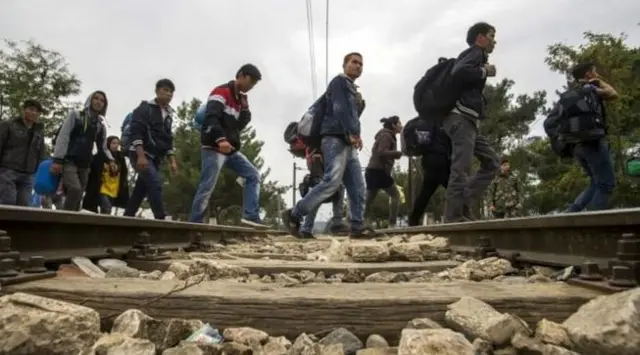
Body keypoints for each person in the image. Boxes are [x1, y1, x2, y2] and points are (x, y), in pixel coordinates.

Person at [282, 52, 372, 238]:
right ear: (344, 65)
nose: (358, 66)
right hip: (334, 139)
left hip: (347, 141)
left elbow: (351, 114)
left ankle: (357, 225)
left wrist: (355, 135)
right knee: (331, 181)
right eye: (354, 62)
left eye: (361, 64)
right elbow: (341, 110)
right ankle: (294, 214)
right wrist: (352, 133)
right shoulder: (340, 82)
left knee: (357, 186)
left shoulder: (352, 89)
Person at [188, 64, 266, 228]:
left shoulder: (240, 100)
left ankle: (250, 217)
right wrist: (220, 139)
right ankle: (194, 224)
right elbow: (211, 117)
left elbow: (238, 125)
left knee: (253, 175)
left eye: (254, 85)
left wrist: (245, 110)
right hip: (214, 147)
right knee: (207, 185)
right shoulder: (221, 92)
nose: (250, 87)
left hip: (230, 149)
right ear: (241, 75)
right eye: (250, 82)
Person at [441, 22, 500, 223]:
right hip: (460, 118)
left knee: (492, 162)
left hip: (470, 120)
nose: (494, 41)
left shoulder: (478, 56)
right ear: (480, 38)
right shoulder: (474, 53)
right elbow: (459, 71)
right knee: (462, 168)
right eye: (491, 36)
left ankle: (463, 203)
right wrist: (485, 71)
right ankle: (453, 218)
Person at [565, 62, 618, 212]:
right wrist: (599, 81)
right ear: (588, 74)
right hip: (593, 142)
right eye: (595, 71)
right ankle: (594, 221)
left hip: (577, 145)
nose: (597, 73)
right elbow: (614, 94)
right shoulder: (592, 87)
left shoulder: (573, 91)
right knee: (606, 183)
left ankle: (570, 215)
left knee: (595, 182)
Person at [124, 79, 179, 220]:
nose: (168, 94)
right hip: (140, 152)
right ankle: (161, 219)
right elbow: (136, 131)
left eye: (171, 92)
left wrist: (172, 161)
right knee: (154, 183)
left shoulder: (168, 115)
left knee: (141, 189)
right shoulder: (144, 108)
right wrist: (141, 156)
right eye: (165, 90)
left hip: (155, 156)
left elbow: (168, 139)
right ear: (157, 91)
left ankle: (127, 218)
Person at [51, 91, 115, 211]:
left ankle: (73, 223)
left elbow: (103, 147)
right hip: (69, 160)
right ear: (90, 100)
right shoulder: (76, 115)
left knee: (79, 194)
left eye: (102, 100)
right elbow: (63, 136)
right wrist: (57, 159)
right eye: (96, 98)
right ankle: (65, 219)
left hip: (85, 164)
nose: (99, 102)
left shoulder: (100, 125)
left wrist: (111, 160)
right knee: (74, 189)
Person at [0, 100, 46, 206]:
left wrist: (39, 171)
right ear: (24, 110)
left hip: (28, 174)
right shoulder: (9, 125)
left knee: (24, 206)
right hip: (8, 170)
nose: (34, 113)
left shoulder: (39, 131)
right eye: (31, 109)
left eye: (37, 111)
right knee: (8, 201)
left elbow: (41, 153)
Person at [364, 116, 403, 228]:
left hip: (378, 171)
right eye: (399, 124)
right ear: (394, 125)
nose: (401, 126)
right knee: (394, 195)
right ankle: (392, 223)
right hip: (377, 171)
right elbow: (381, 152)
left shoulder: (387, 135)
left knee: (370, 199)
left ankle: (361, 222)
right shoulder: (386, 135)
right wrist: (397, 153)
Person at [408, 125, 451, 225]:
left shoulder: (424, 124)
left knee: (425, 192)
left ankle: (413, 219)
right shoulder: (442, 124)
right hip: (441, 160)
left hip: (428, 160)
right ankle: (458, 214)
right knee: (455, 189)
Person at [83, 136, 129, 214]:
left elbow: (123, 173)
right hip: (103, 187)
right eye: (113, 143)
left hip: (114, 188)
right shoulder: (101, 156)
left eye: (118, 143)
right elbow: (93, 170)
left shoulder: (120, 157)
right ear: (108, 144)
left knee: (107, 210)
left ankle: (102, 224)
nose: (116, 145)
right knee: (106, 207)